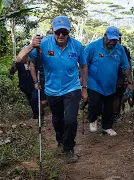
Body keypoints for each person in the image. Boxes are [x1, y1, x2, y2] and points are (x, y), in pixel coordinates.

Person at [16, 15, 88, 164]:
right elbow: (20, 59)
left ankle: (68, 148)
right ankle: (60, 140)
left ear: (69, 31)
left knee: (70, 120)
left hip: (72, 87)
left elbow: (83, 66)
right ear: (52, 31)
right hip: (52, 89)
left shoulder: (77, 45)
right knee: (58, 119)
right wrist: (31, 46)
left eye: (64, 32)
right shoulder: (43, 44)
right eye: (58, 32)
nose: (61, 35)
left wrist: (84, 87)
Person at [85, 26, 133, 136]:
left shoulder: (120, 49)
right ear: (105, 36)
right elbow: (83, 64)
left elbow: (126, 66)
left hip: (110, 84)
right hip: (94, 82)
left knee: (108, 106)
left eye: (115, 40)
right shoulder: (93, 47)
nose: (112, 42)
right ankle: (92, 119)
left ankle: (107, 127)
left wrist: (130, 82)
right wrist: (82, 81)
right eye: (110, 39)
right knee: (95, 103)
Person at [112, 32, 132, 122]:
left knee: (118, 96)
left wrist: (128, 79)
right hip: (107, 76)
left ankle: (116, 114)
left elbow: (128, 64)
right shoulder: (106, 48)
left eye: (119, 38)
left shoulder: (124, 49)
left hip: (120, 76)